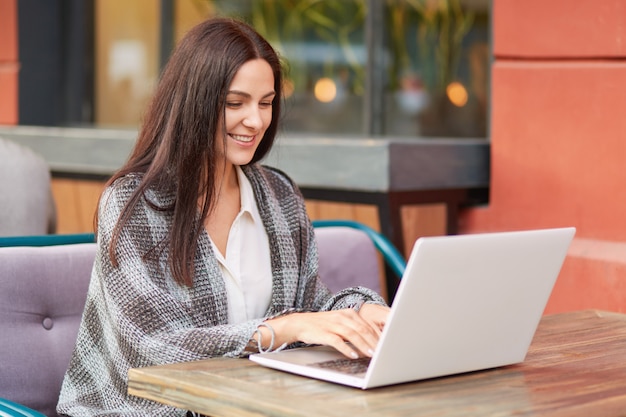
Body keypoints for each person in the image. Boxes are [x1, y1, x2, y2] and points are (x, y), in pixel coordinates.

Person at [57, 17, 389, 417]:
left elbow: (311, 306)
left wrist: (361, 312)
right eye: (236, 103)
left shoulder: (280, 197)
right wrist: (281, 329)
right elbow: (153, 347)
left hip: (250, 405)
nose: (256, 121)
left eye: (266, 103)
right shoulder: (133, 203)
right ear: (194, 102)